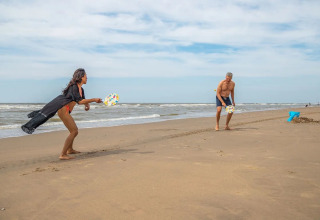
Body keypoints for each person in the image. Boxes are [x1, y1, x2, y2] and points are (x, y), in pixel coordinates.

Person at [21, 68, 102, 160]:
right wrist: (94, 100)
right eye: (86, 76)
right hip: (64, 110)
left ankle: (70, 150)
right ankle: (63, 154)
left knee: (72, 131)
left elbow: (82, 99)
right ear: (81, 77)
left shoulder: (81, 89)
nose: (87, 78)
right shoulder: (74, 87)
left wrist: (87, 105)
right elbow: (79, 101)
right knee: (74, 131)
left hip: (66, 110)